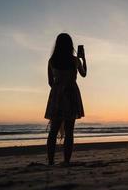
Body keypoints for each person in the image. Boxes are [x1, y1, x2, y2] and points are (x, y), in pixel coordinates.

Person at [45, 33, 87, 165]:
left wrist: (58, 89)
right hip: (71, 94)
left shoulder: (52, 61)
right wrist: (84, 59)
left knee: (53, 131)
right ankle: (66, 161)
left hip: (57, 95)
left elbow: (50, 82)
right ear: (70, 45)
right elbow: (84, 74)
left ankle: (51, 162)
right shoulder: (75, 60)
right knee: (69, 131)